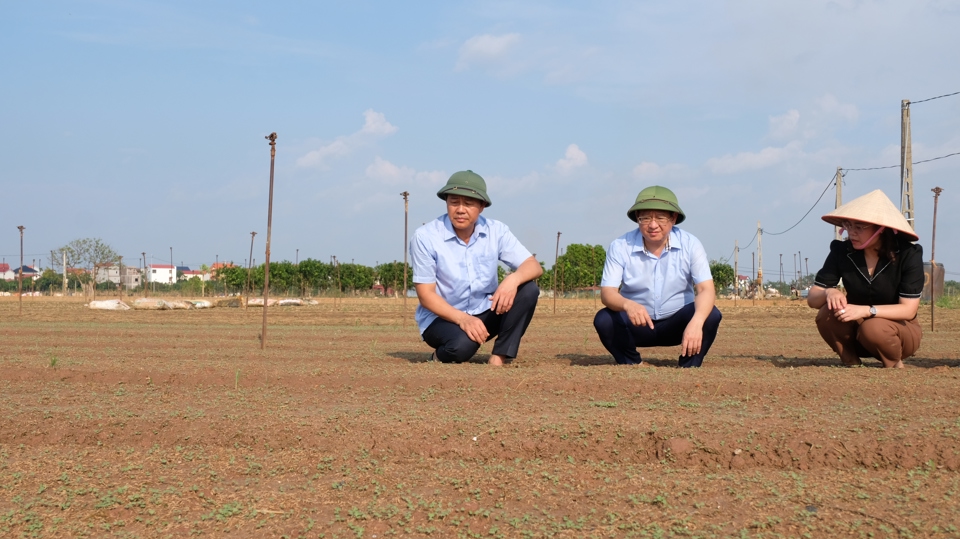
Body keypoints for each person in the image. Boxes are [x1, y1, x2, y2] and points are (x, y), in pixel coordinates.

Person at [410, 170, 543, 365]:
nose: (460, 209)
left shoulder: (496, 231)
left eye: (469, 203)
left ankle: (499, 357)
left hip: (484, 310)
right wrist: (463, 319)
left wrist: (512, 280)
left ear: (482, 206)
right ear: (446, 202)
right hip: (442, 316)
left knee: (528, 289)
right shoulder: (425, 237)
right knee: (461, 347)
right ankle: (438, 357)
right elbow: (426, 295)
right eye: (454, 202)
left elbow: (533, 266)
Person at [593, 186, 722, 367]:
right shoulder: (620, 246)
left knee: (711, 314)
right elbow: (607, 292)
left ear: (673, 218)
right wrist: (628, 305)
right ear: (637, 218)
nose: (653, 225)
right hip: (637, 323)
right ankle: (631, 363)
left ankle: (689, 365)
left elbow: (705, 289)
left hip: (678, 323)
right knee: (604, 319)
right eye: (645, 218)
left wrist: (697, 321)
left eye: (661, 217)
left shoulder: (691, 244)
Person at [807, 189, 923, 368]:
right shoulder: (841, 251)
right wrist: (829, 292)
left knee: (874, 328)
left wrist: (867, 311)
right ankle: (851, 361)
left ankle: (893, 364)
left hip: (899, 332)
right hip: (856, 329)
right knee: (826, 314)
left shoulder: (908, 254)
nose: (851, 233)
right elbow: (813, 298)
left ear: (881, 229)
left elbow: (908, 310)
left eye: (859, 227)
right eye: (848, 225)